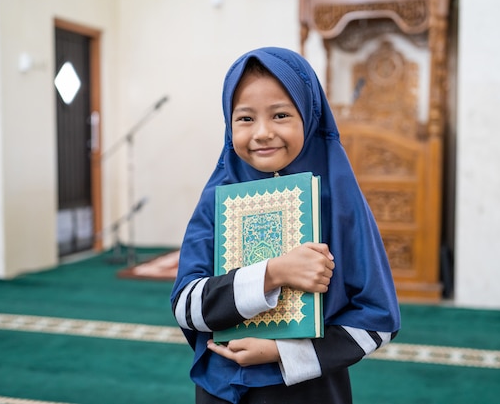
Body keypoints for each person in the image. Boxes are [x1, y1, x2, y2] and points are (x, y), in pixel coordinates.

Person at [171, 47, 400, 404]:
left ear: (309, 117)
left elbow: (378, 320)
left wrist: (282, 351)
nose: (262, 133)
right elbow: (186, 305)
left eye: (280, 115)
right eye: (245, 118)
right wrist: (273, 273)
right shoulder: (217, 199)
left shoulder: (338, 202)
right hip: (222, 390)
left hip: (310, 392)